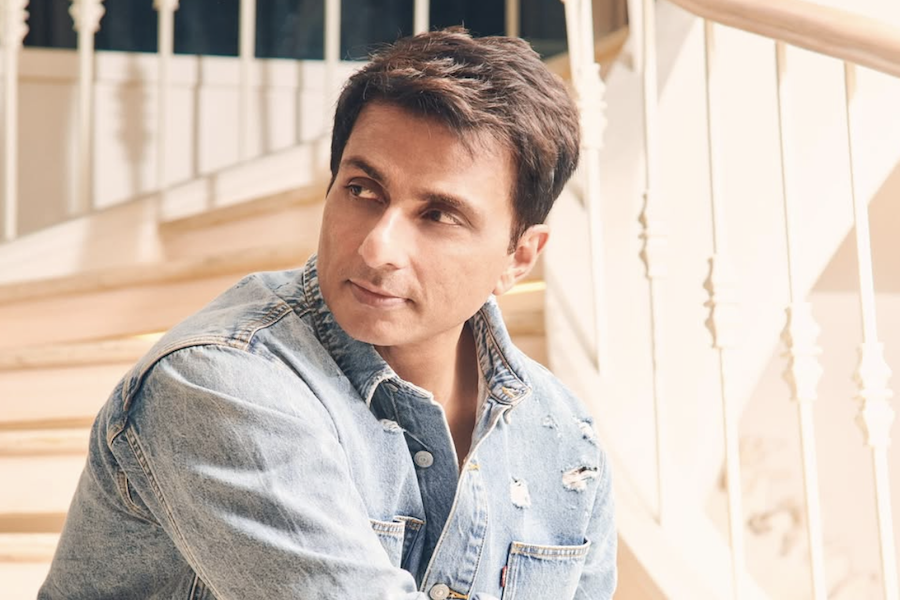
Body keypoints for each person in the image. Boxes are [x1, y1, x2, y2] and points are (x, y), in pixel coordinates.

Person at [39, 27, 616, 600]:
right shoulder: (218, 383)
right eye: (362, 190)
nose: (377, 248)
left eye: (438, 215)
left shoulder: (566, 442)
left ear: (518, 258)